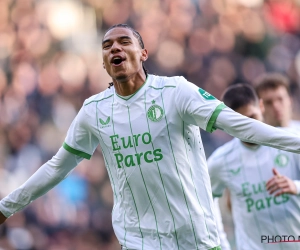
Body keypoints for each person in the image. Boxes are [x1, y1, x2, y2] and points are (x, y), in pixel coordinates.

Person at [0, 24, 300, 250]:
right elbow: (56, 167)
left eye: (123, 41)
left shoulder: (176, 92)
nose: (114, 48)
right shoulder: (93, 111)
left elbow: (241, 125)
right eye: (107, 46)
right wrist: (6, 207)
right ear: (104, 62)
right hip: (139, 241)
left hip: (196, 238)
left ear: (143, 53)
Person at [208, 84, 300, 250]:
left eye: (252, 117)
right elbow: (204, 202)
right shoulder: (220, 161)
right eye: (240, 123)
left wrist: (296, 186)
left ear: (261, 107)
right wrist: (220, 243)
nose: (248, 129)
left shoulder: (291, 140)